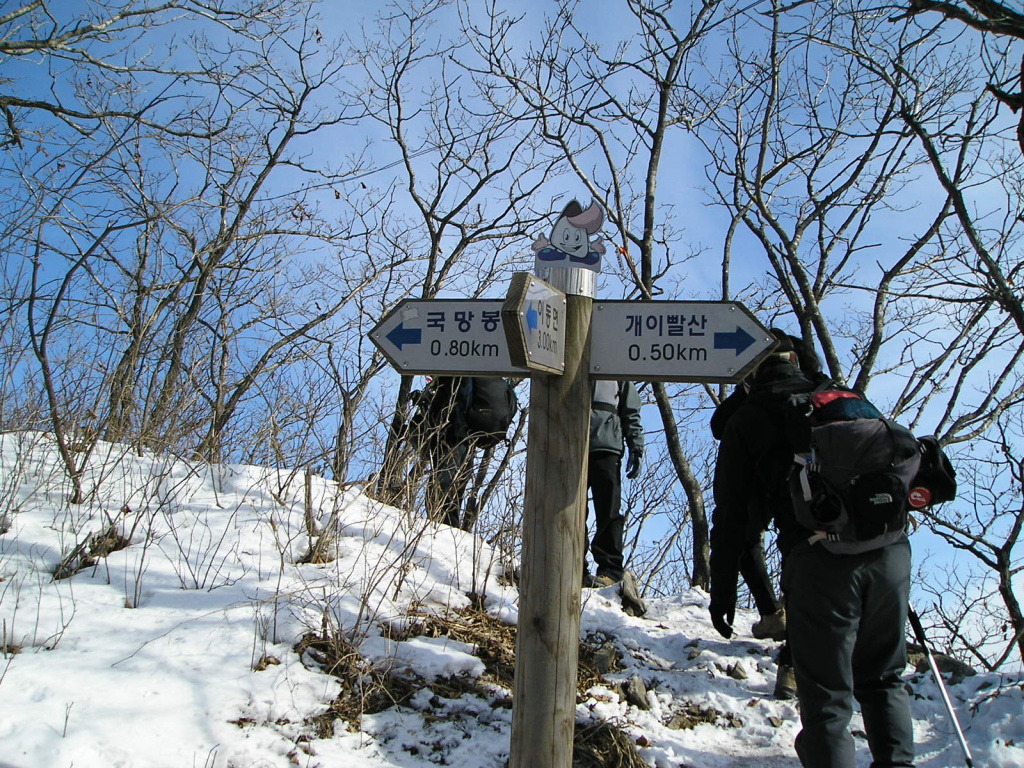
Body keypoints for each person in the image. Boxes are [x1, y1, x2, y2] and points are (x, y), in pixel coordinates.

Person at [712, 329, 915, 767]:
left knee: (826, 700)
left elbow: (731, 516)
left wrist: (722, 591)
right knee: (883, 680)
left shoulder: (749, 418)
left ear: (748, 373)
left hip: (820, 561)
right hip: (890, 552)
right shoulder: (842, 397)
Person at [584, 380, 644, 588]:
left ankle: (610, 570)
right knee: (568, 511)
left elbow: (631, 410)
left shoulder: (616, 365)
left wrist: (636, 446)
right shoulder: (563, 355)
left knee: (608, 510)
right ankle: (573, 566)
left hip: (607, 445)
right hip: (568, 441)